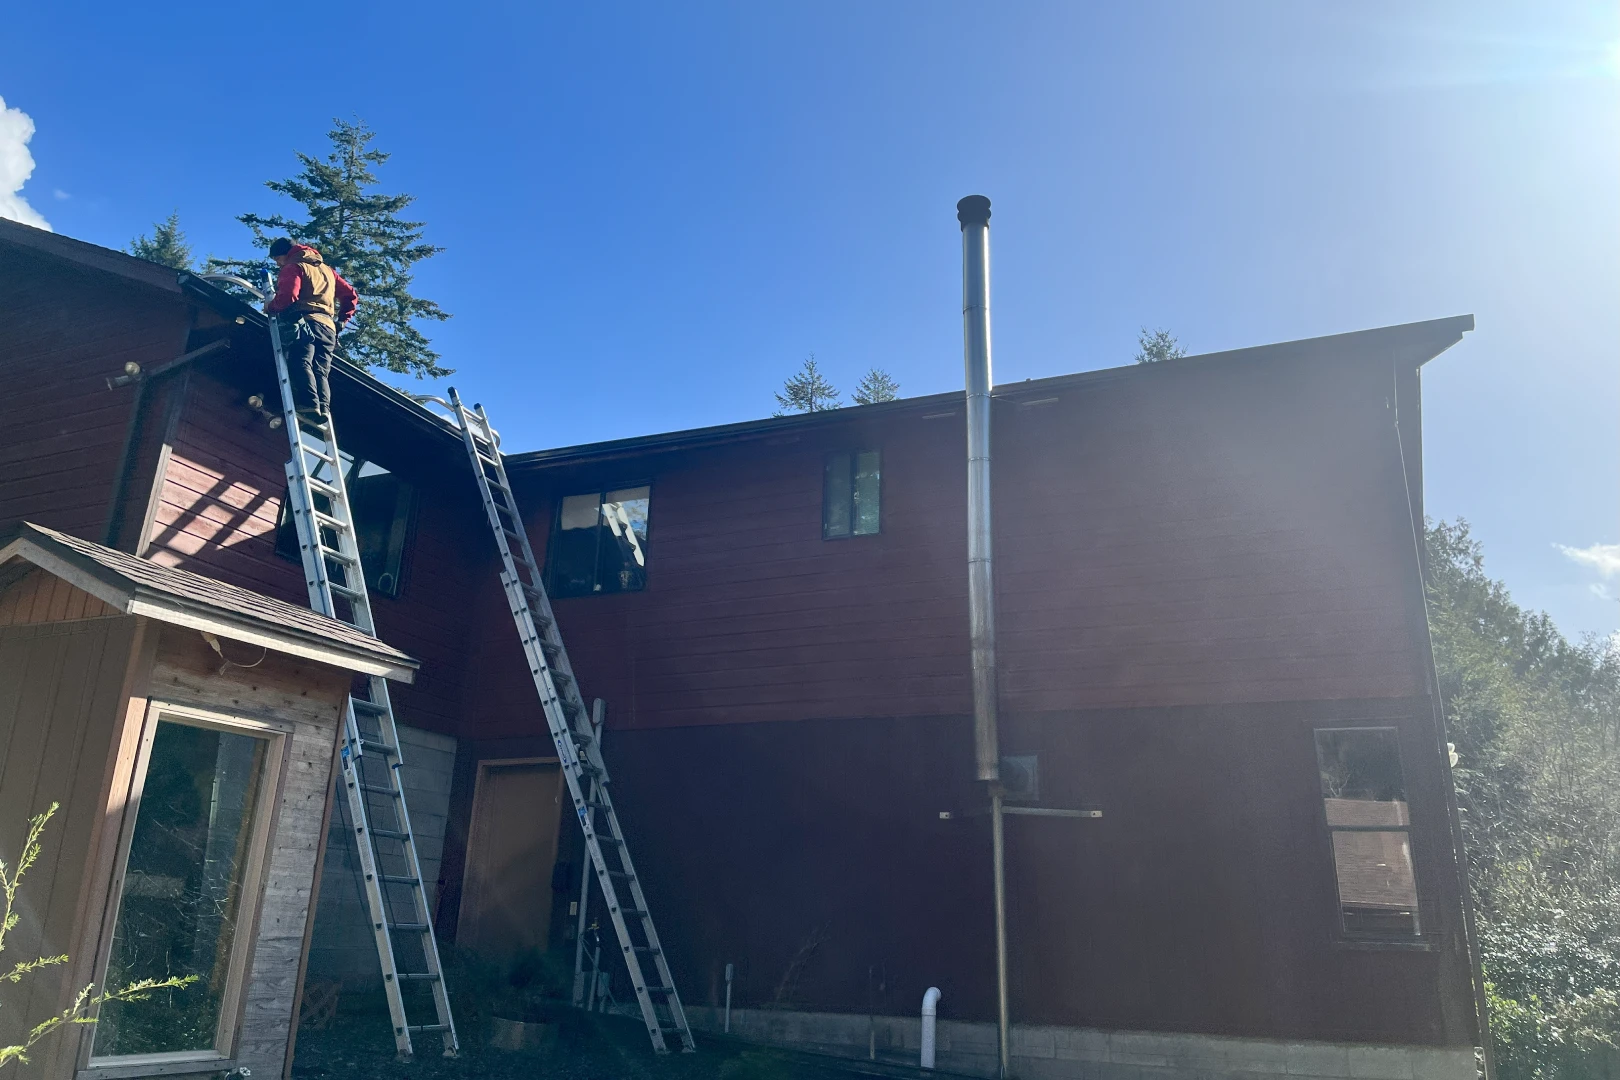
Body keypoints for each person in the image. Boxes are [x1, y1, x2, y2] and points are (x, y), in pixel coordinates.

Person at [264, 238, 358, 425]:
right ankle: (323, 408)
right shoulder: (327, 271)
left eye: (277, 260)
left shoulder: (294, 266)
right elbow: (350, 295)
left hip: (307, 322)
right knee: (321, 370)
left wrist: (271, 307)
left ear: (283, 254)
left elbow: (289, 296)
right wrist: (342, 321)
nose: (278, 264)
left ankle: (309, 404)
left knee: (301, 361)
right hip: (328, 327)